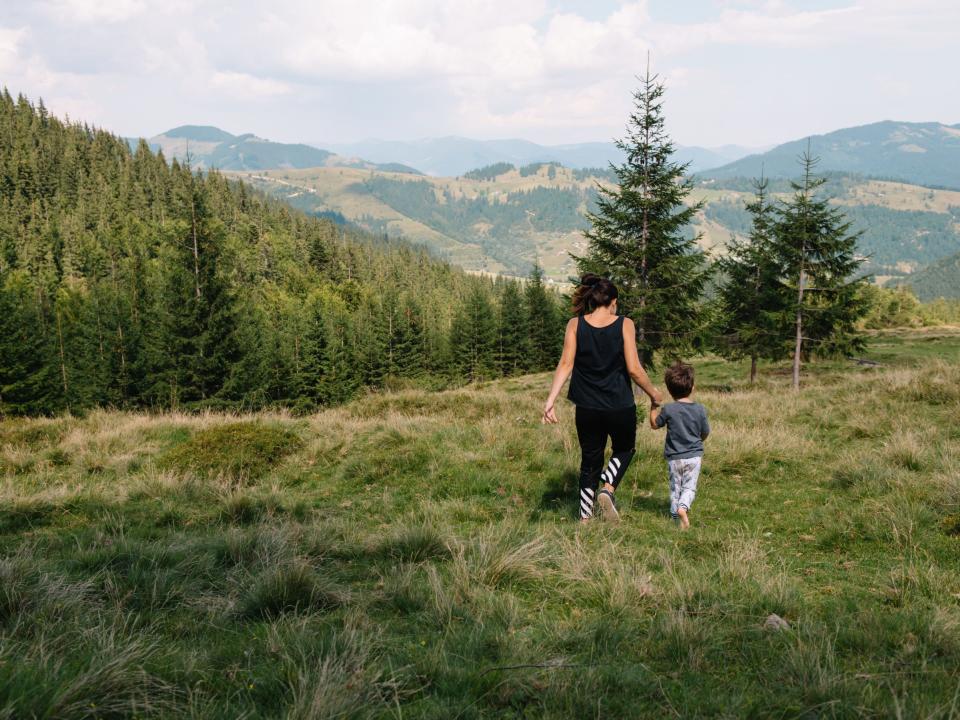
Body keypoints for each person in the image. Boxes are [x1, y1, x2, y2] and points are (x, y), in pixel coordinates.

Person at [543, 274, 663, 523]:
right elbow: (634, 369)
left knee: (589, 461)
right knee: (625, 449)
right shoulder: (625, 324)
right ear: (613, 302)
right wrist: (654, 393)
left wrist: (550, 400)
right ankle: (608, 489)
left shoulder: (575, 325)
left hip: (586, 406)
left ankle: (585, 520)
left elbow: (565, 364)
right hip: (619, 404)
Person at [649, 362, 709, 529]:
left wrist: (654, 406)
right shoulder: (700, 409)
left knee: (676, 488)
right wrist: (698, 442)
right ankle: (683, 508)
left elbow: (654, 424)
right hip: (694, 457)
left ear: (669, 390)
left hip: (674, 458)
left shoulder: (668, 409)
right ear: (692, 387)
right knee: (689, 487)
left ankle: (677, 519)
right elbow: (705, 432)